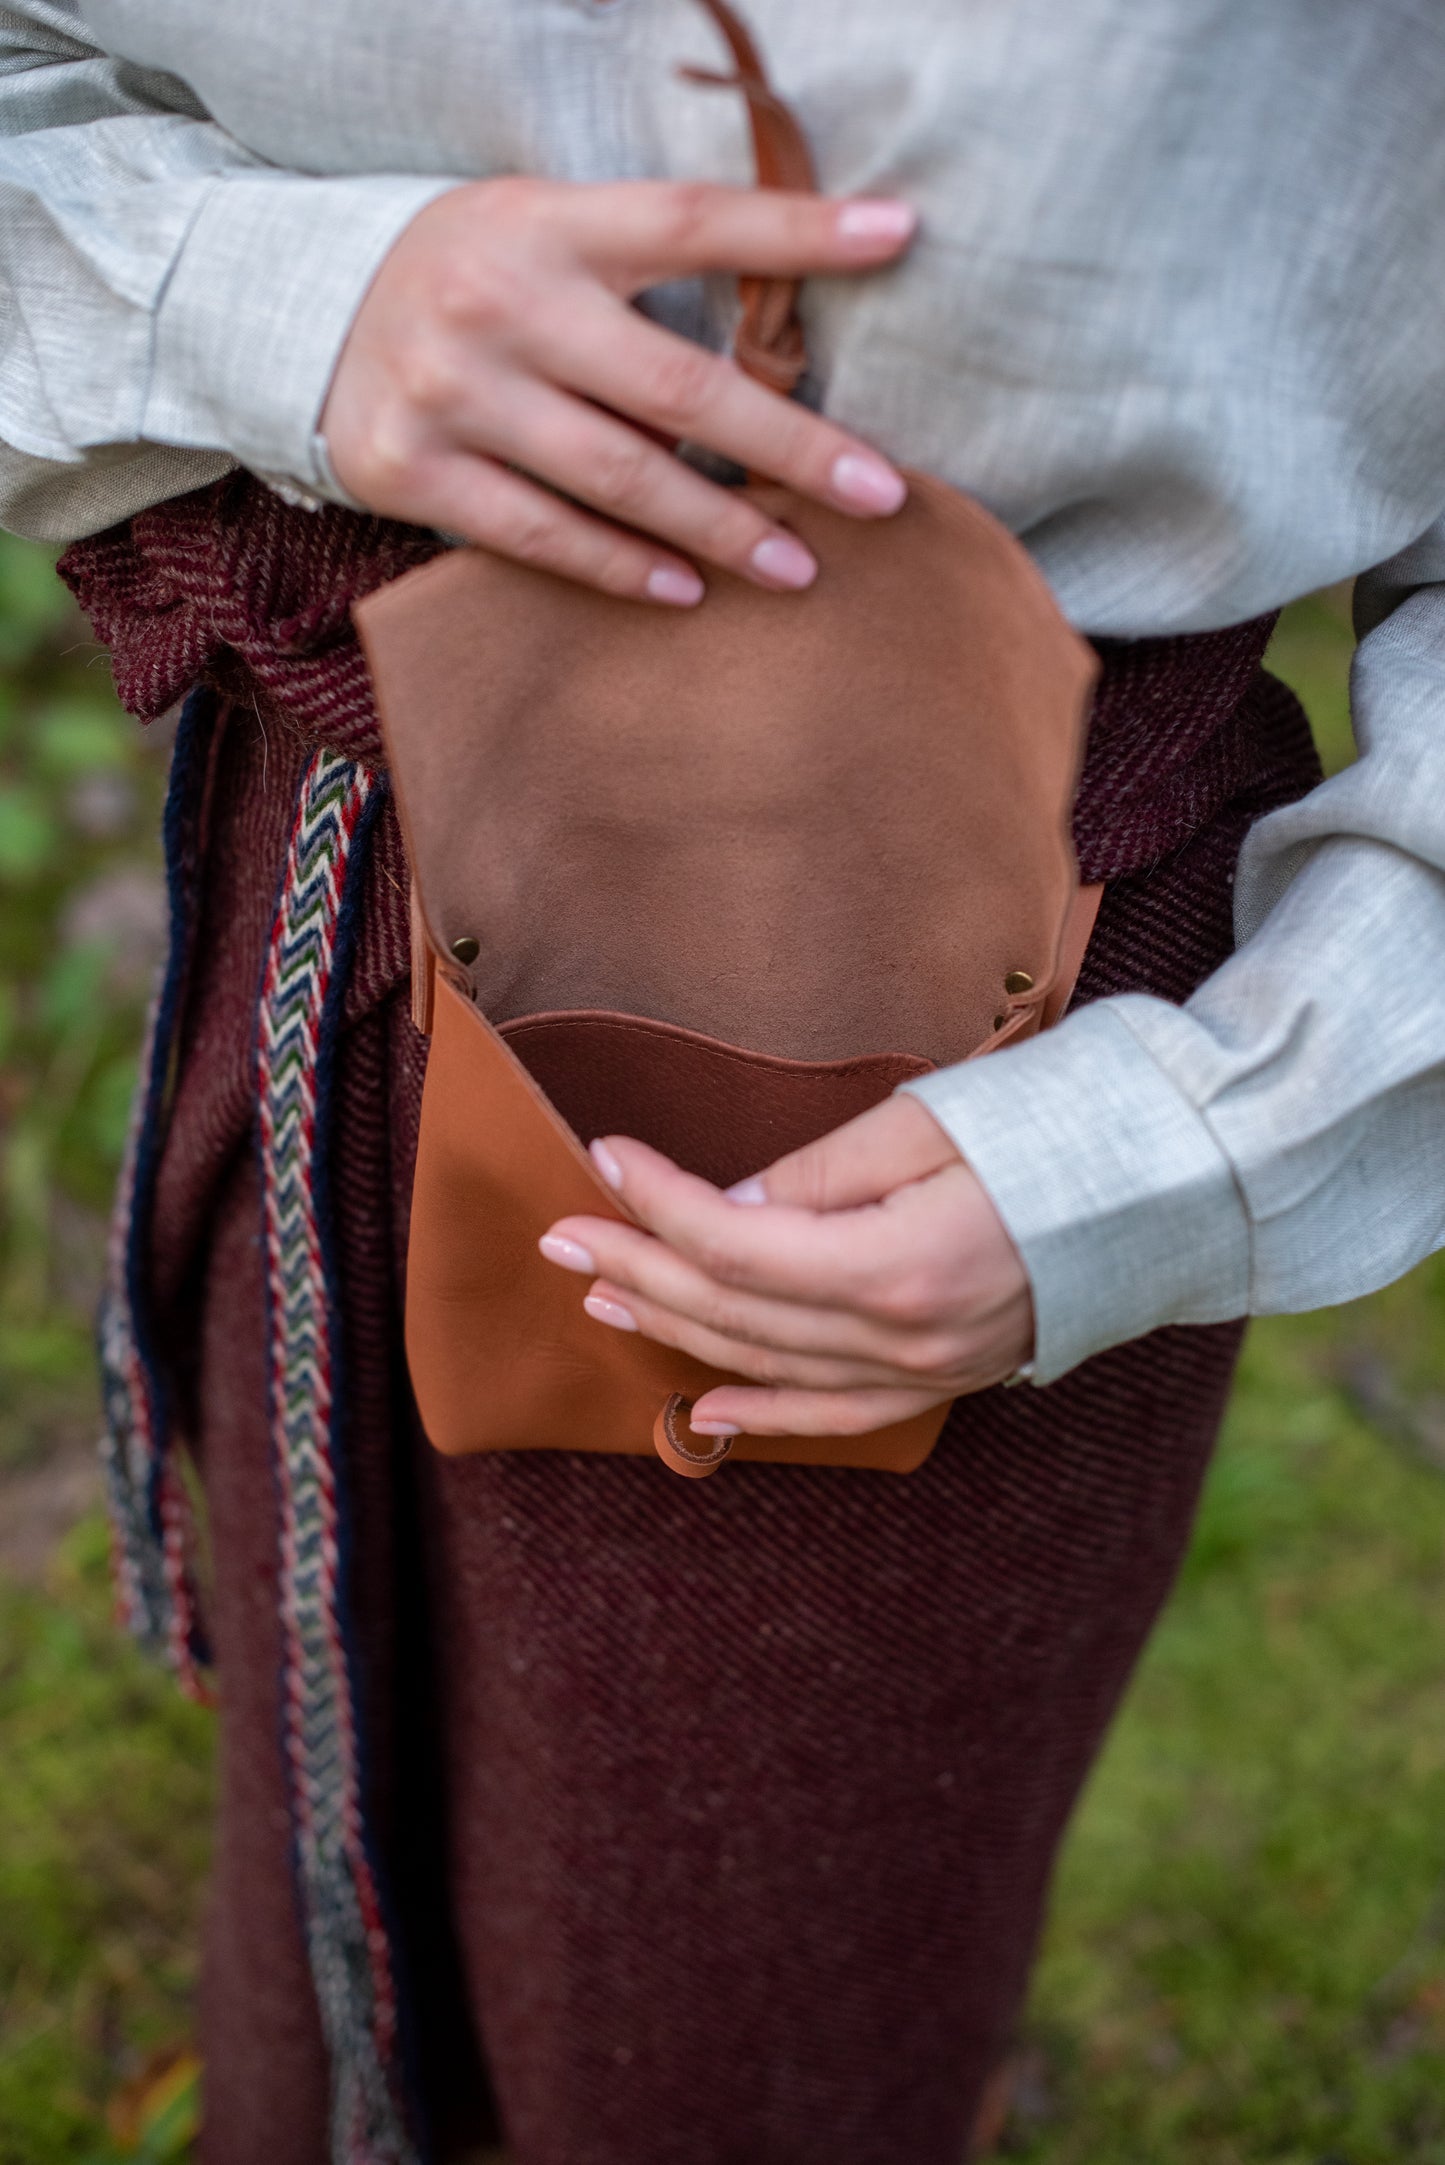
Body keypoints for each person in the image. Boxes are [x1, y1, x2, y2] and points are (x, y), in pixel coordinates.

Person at [2, 3, 1443, 2160]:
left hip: (960, 1069)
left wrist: (1191, 1136)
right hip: (323, 866)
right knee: (332, 1823)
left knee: (752, 1998)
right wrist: (264, 299)